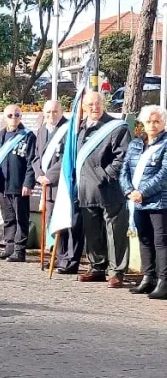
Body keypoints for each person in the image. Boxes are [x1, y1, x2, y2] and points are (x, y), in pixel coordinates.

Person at [76, 91, 131, 287]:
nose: (94, 107)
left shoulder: (116, 128)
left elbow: (123, 158)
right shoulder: (79, 128)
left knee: (115, 231)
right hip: (86, 188)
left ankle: (116, 271)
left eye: (98, 103)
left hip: (109, 189)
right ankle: (97, 267)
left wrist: (103, 175)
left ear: (104, 104)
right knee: (93, 231)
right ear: (83, 107)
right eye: (90, 104)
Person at [120, 105, 167, 299]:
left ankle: (164, 281)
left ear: (163, 123)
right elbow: (124, 170)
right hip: (137, 201)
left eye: (156, 121)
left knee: (161, 241)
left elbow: (164, 174)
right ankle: (148, 278)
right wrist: (129, 190)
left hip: (159, 202)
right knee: (144, 239)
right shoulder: (136, 144)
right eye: (149, 121)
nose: (152, 125)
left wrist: (143, 192)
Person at [32, 100, 79, 273]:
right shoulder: (42, 130)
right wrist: (39, 174)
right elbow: (36, 156)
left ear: (61, 111)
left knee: (65, 223)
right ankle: (56, 256)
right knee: (52, 222)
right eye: (49, 112)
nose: (52, 115)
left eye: (55, 111)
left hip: (62, 184)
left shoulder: (68, 129)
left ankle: (67, 260)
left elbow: (67, 159)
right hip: (47, 186)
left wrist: (49, 176)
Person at [0, 104, 36, 262]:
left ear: (21, 117)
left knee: (21, 218)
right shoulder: (1, 135)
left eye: (17, 115)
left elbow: (31, 162)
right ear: (4, 117)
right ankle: (9, 247)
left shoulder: (28, 136)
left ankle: (20, 251)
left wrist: (28, 183)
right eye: (10, 115)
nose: (14, 118)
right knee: (8, 218)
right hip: (3, 184)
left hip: (19, 184)